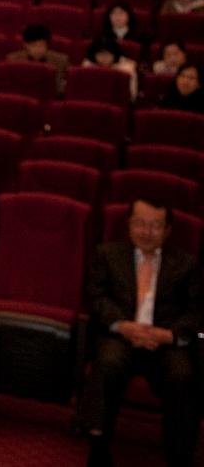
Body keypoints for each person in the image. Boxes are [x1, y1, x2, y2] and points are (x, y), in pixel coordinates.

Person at [80, 198, 202, 467]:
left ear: (168, 230)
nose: (147, 232)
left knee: (183, 376)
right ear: (129, 225)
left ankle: (179, 456)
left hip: (166, 340)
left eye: (155, 226)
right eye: (140, 224)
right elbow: (96, 298)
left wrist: (169, 335)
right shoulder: (107, 254)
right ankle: (98, 445)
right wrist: (123, 326)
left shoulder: (187, 264)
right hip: (121, 334)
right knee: (107, 363)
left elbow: (197, 312)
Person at [5, 24, 71, 97]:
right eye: (33, 45)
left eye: (41, 45)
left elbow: (63, 87)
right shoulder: (13, 60)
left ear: (47, 45)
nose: (38, 49)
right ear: (25, 45)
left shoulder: (61, 61)